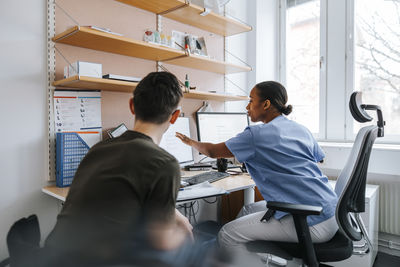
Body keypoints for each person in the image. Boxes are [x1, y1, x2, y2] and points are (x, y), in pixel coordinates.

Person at [43, 72, 194, 266]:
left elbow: (121, 193)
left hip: (52, 256)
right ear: (174, 116)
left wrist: (175, 214)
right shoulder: (165, 163)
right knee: (194, 249)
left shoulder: (98, 149)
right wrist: (186, 231)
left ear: (132, 106)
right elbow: (163, 242)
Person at [176, 81, 338, 250]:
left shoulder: (256, 135)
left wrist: (190, 141)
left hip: (310, 221)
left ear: (266, 104)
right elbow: (319, 159)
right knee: (247, 210)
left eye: (251, 100)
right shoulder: (300, 128)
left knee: (227, 234)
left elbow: (212, 151)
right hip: (330, 211)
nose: (247, 107)